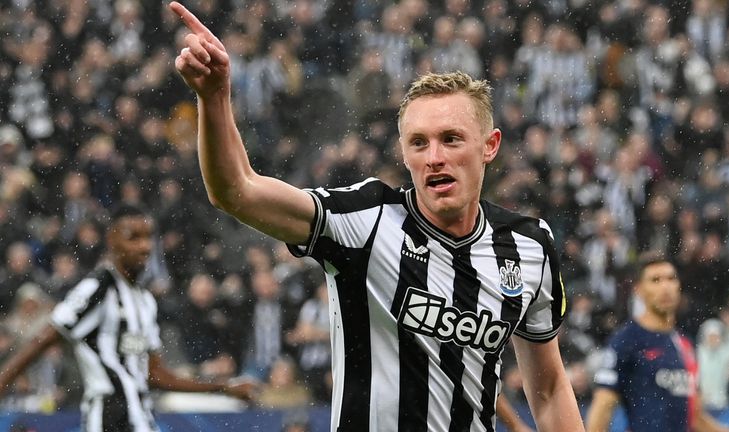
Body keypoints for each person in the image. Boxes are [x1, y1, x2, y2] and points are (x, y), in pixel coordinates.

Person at [169, 2, 583, 431]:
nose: (435, 157)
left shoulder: (528, 245)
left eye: (451, 139)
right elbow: (237, 191)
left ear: (489, 145)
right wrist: (214, 97)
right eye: (419, 143)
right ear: (404, 153)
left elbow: (550, 388)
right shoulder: (365, 221)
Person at [0, 203, 256, 432]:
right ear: (112, 240)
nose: (144, 247)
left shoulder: (145, 301)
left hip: (141, 418)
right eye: (134, 237)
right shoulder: (98, 286)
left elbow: (156, 376)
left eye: (148, 238)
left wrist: (223, 387)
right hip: (108, 419)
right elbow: (47, 337)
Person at [585, 254, 729, 432]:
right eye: (655, 280)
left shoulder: (685, 345)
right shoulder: (626, 341)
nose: (665, 287)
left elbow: (695, 418)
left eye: (671, 278)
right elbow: (603, 406)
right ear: (638, 289)